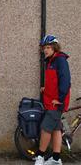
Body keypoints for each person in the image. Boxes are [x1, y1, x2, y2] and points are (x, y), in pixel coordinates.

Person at [34, 35, 71, 165]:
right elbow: (54, 80)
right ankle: (56, 158)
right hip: (51, 101)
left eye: (48, 47)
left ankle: (40, 156)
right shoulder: (51, 61)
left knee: (45, 128)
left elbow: (65, 81)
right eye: (44, 48)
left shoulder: (60, 61)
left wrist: (60, 99)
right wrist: (46, 88)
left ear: (54, 48)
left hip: (56, 103)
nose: (45, 50)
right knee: (56, 129)